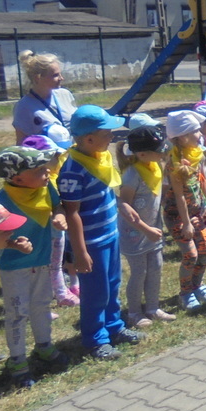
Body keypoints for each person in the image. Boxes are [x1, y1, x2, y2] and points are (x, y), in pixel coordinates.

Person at [59, 105, 143, 360]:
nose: (112, 137)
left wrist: (121, 206)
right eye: (107, 133)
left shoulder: (99, 159)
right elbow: (72, 213)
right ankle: (96, 339)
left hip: (110, 235)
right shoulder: (73, 170)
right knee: (96, 292)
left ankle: (114, 326)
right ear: (88, 139)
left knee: (112, 284)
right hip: (92, 243)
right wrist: (80, 252)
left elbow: (106, 192)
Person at [0, 148, 71, 386]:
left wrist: (60, 215)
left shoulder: (46, 188)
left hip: (42, 260)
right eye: (39, 170)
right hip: (13, 267)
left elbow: (58, 206)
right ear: (18, 179)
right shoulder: (2, 202)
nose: (47, 171)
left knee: (41, 305)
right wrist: (13, 245)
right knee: (17, 313)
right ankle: (18, 361)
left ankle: (44, 346)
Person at [12, 50, 77, 307]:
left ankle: (72, 272)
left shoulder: (65, 95)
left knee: (73, 215)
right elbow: (22, 145)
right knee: (54, 223)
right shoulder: (24, 107)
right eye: (55, 74)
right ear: (38, 77)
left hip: (72, 165)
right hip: (48, 171)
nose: (61, 78)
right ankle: (53, 276)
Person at [117, 124, 175, 328]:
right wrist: (146, 229)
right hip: (135, 234)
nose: (163, 154)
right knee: (139, 273)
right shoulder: (132, 175)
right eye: (159, 151)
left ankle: (152, 308)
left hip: (152, 231)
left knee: (156, 268)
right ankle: (134, 313)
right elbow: (125, 207)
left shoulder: (154, 167)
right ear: (142, 154)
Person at [164, 110, 206, 310]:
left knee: (205, 249)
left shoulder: (197, 154)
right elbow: (179, 196)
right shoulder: (174, 163)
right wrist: (186, 223)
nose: (200, 134)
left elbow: (203, 180)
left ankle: (197, 285)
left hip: (196, 213)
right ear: (183, 136)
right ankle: (185, 293)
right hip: (178, 216)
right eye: (195, 131)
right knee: (191, 255)